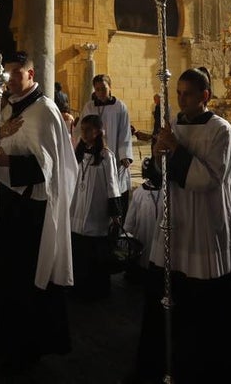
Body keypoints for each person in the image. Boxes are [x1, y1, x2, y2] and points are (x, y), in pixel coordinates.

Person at [132, 67, 231, 384]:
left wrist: (176, 151)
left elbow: (209, 178)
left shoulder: (221, 131)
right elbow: (159, 173)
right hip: (174, 221)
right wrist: (157, 155)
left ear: (204, 96)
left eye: (187, 94)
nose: (180, 99)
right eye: (178, 93)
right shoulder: (174, 126)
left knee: (202, 309)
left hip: (204, 224)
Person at [0, 52, 77, 372]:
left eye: (17, 73)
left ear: (31, 73)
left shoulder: (44, 111)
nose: (10, 80)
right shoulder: (9, 107)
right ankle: (3, 336)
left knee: (25, 280)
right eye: (7, 75)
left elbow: (51, 167)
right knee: (4, 273)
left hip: (32, 209)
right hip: (7, 200)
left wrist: (8, 161)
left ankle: (26, 348)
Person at [69, 113, 123, 301]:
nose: (83, 132)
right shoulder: (79, 152)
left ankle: (96, 290)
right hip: (77, 207)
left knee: (95, 251)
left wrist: (115, 213)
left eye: (88, 129)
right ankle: (78, 286)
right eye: (82, 129)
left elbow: (112, 184)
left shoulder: (105, 156)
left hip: (96, 209)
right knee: (79, 249)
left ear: (98, 131)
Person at [81, 74, 134, 217]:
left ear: (110, 87)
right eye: (97, 89)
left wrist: (125, 155)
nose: (100, 92)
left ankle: (117, 219)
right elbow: (82, 129)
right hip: (94, 155)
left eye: (103, 88)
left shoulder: (120, 107)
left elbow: (124, 132)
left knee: (115, 186)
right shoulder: (89, 106)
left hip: (115, 155)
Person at [123, 157, 163, 284]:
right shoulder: (139, 193)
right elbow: (130, 222)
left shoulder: (166, 192)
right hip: (143, 241)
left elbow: (129, 222)